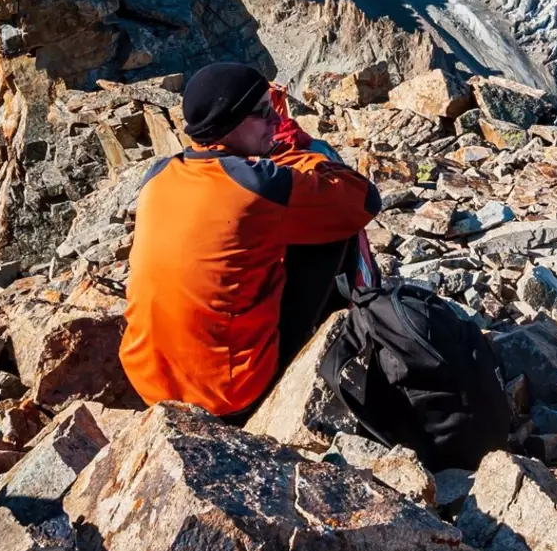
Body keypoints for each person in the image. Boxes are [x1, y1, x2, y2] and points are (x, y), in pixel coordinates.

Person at [120, 61, 381, 418]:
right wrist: (296, 154)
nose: (275, 119)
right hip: (228, 394)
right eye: (262, 111)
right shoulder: (258, 186)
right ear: (226, 124)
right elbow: (364, 199)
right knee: (334, 227)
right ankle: (351, 343)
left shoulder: (160, 173)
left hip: (149, 384)